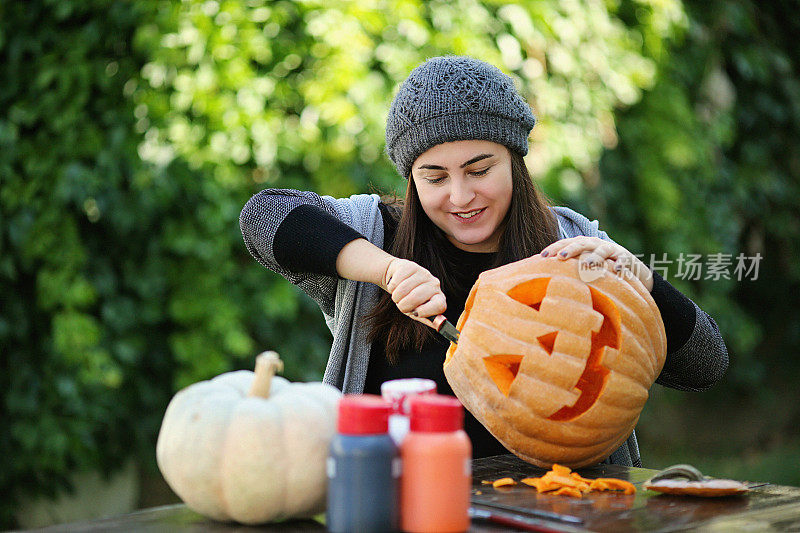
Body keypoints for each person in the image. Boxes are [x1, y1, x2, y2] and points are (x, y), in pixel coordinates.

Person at [239, 56, 729, 465]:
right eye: (434, 177)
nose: (460, 196)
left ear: (514, 161)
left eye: (479, 170)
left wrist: (636, 277)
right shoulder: (375, 234)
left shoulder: (571, 245)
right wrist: (385, 270)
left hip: (561, 507)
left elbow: (705, 365)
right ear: (412, 180)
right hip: (398, 507)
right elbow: (263, 215)